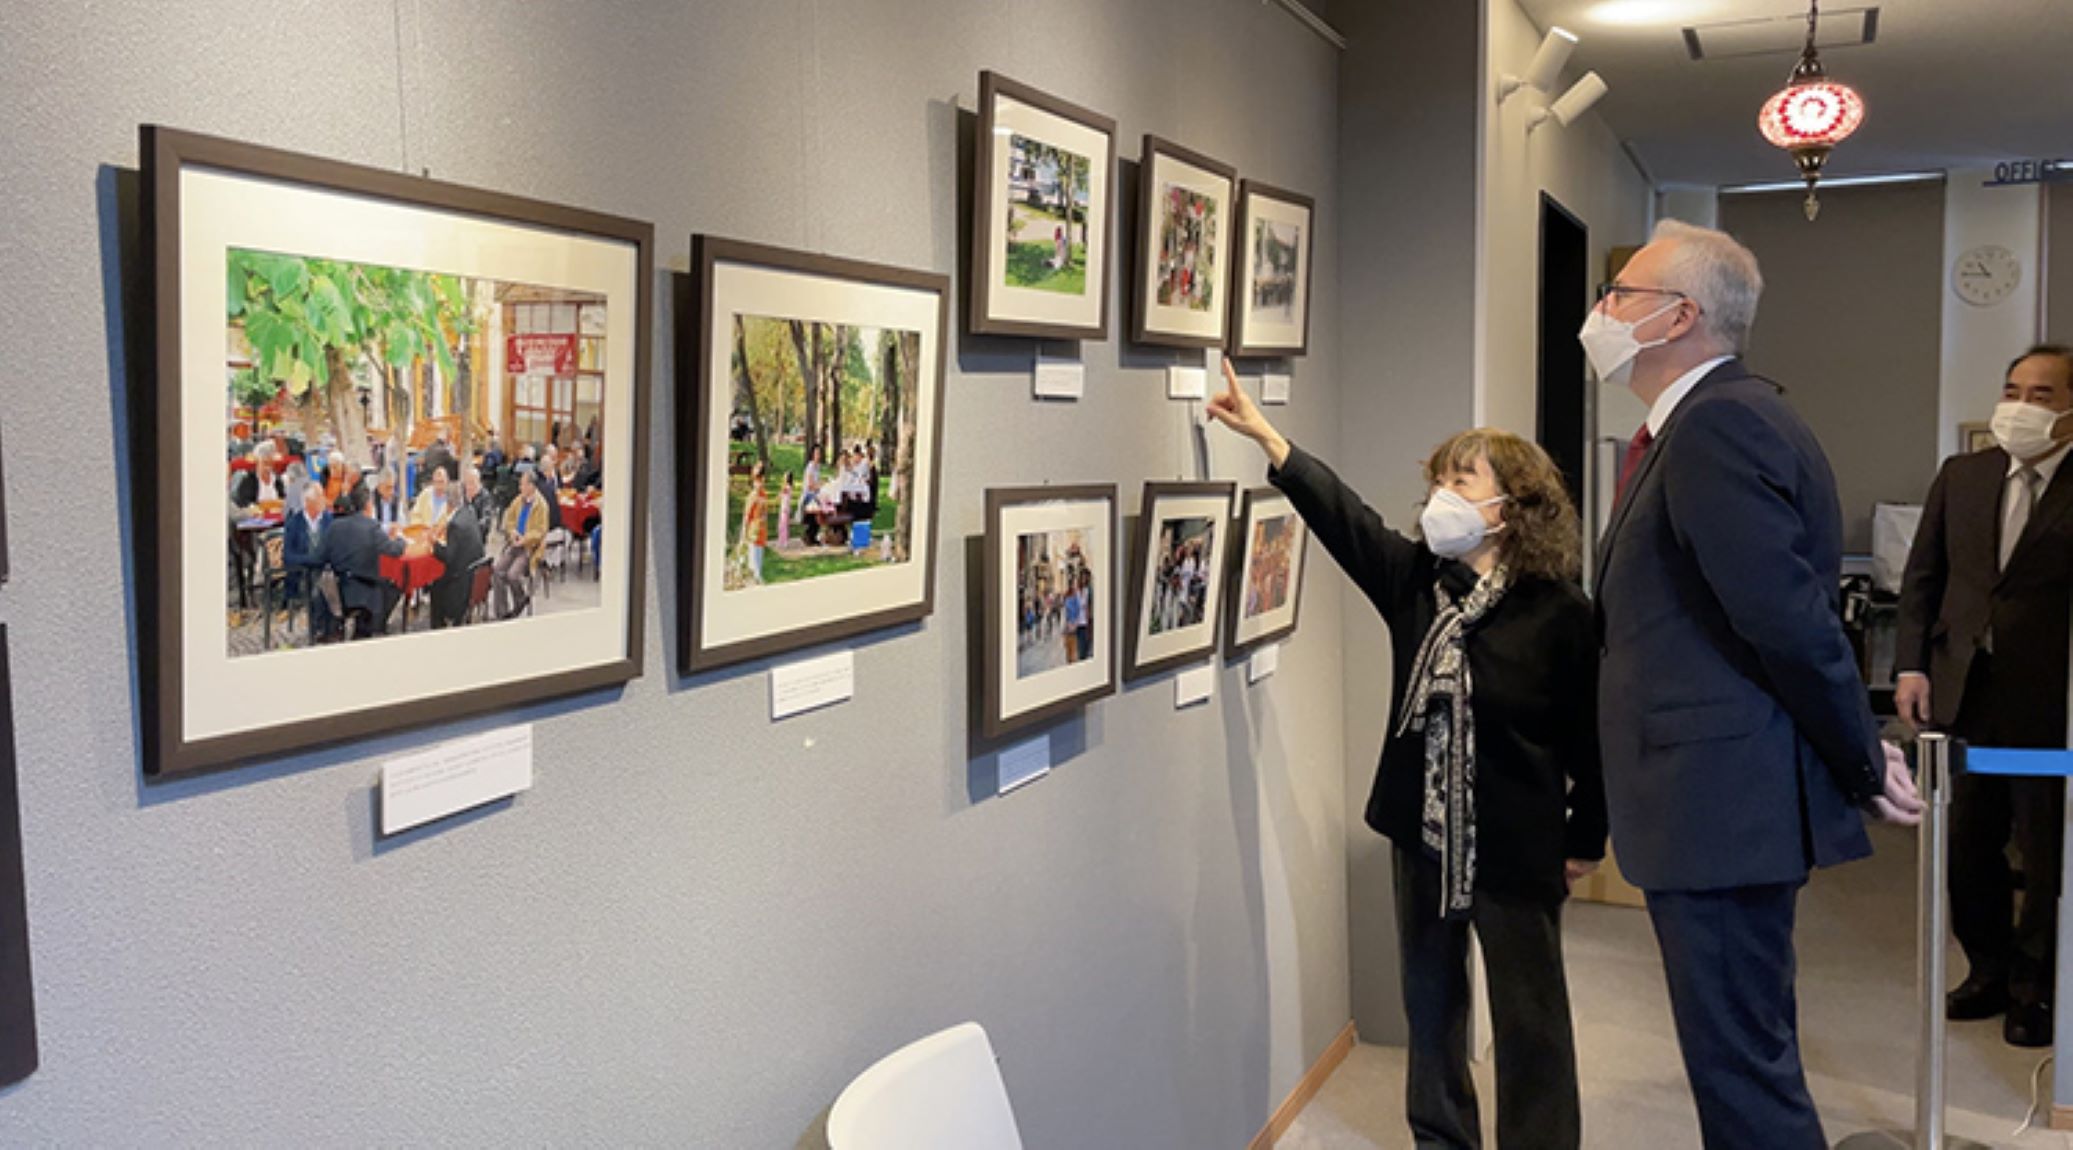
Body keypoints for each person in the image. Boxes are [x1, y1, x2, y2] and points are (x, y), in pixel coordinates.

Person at [1584, 219, 1921, 1148]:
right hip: (1705, 801)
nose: (1601, 313)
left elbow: (1788, 621)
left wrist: (1864, 759)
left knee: (1743, 1072)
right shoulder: (1691, 425)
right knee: (1736, 1057)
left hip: (1718, 805)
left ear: (1679, 316)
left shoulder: (1719, 423)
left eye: (1620, 296)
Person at [1209, 360, 1605, 1150]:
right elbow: (1343, 516)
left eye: (1462, 482)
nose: (1442, 499)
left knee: (1531, 1019)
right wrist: (1267, 437)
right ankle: (1440, 1138)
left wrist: (1584, 838)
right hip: (1417, 834)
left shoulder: (1562, 614)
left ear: (1510, 507)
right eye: (1438, 481)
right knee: (1431, 1005)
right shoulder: (1415, 582)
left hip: (1518, 841)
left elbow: (1589, 740)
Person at [1896, 343, 2073, 1047]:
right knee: (1966, 844)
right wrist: (1910, 667)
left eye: (2040, 393)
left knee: (2043, 849)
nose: (2020, 406)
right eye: (2011, 389)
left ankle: (2036, 987)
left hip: (2050, 700)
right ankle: (1987, 970)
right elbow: (1921, 580)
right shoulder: (1962, 476)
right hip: (1962, 690)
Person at [314, 486, 409, 639]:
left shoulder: (334, 527)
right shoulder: (371, 526)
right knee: (396, 584)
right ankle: (378, 625)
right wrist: (401, 540)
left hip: (339, 591)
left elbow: (319, 557)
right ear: (368, 506)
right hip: (366, 591)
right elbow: (393, 550)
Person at [280, 481, 336, 642]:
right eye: (320, 496)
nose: (324, 499)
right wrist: (311, 560)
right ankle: (320, 630)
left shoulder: (328, 519)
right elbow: (288, 556)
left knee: (331, 581)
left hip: (326, 569)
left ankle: (331, 628)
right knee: (318, 587)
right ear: (308, 502)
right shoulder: (294, 523)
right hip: (302, 573)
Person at [494, 469, 550, 619]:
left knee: (513, 575)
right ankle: (502, 612)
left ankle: (520, 599)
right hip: (514, 544)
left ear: (531, 486)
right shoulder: (518, 501)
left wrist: (525, 539)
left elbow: (540, 531)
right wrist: (512, 532)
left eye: (523, 484)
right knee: (498, 570)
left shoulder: (541, 506)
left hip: (528, 549)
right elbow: (509, 520)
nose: (520, 487)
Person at [427, 491, 486, 630]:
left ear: (448, 505)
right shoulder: (469, 513)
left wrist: (434, 544)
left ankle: (437, 627)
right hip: (476, 575)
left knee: (435, 585)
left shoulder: (455, 525)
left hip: (461, 586)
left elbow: (448, 557)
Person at [459, 464, 496, 532]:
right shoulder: (462, 493)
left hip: (477, 536)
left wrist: (471, 528)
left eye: (472, 482)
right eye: (467, 483)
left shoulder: (485, 496)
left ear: (478, 482)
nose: (469, 486)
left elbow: (486, 520)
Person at [419, 435, 456, 499]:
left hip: (426, 477)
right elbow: (452, 461)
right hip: (437, 478)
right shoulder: (444, 451)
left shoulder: (429, 448)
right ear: (444, 442)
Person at [370, 468, 405, 534]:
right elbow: (372, 526)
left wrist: (398, 527)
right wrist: (388, 527)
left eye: (393, 487)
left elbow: (402, 523)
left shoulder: (396, 500)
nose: (391, 492)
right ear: (379, 487)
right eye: (388, 487)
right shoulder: (371, 500)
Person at [776, 473, 794, 551]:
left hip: (785, 508)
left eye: (785, 477)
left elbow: (780, 496)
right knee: (783, 524)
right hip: (785, 507)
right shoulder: (788, 487)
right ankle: (782, 540)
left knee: (783, 525)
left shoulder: (786, 487)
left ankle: (784, 541)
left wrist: (778, 496)